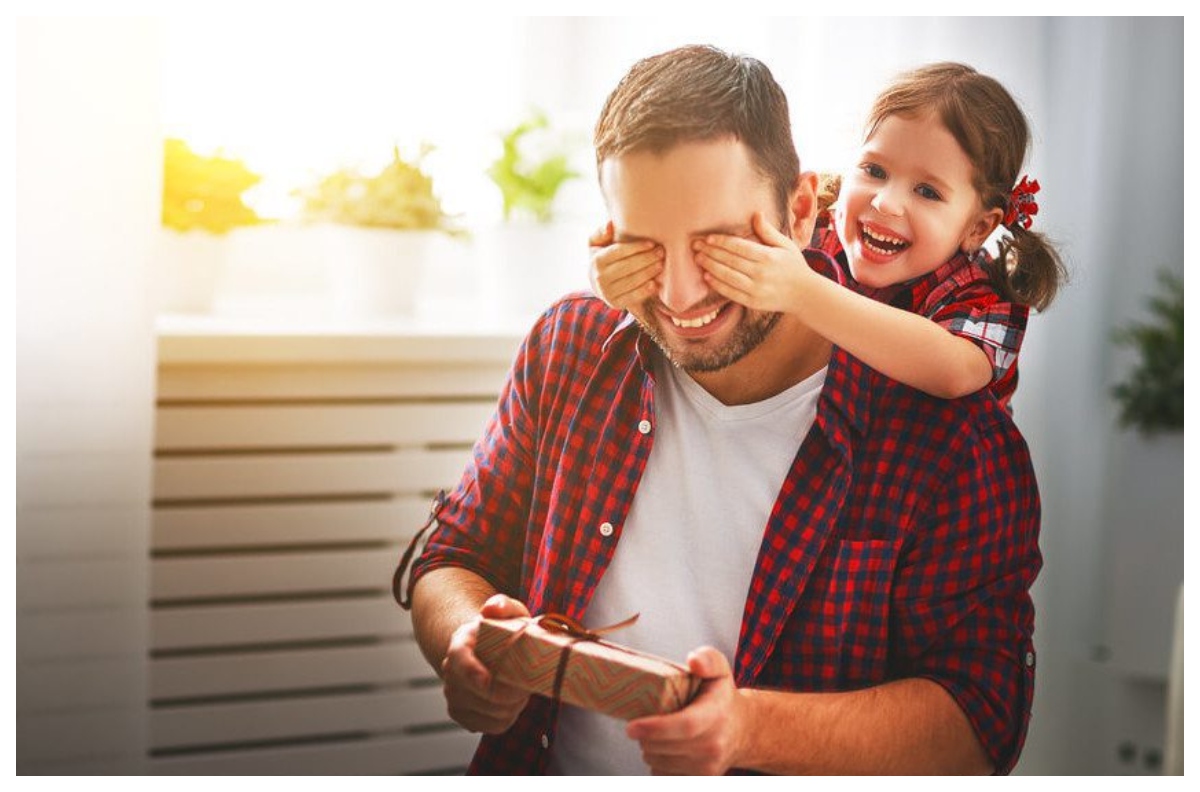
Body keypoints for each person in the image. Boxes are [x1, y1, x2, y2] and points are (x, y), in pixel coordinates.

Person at [399, 45, 1041, 775]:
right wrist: (468, 639)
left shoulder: (956, 438)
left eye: (717, 248)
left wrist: (748, 730)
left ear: (800, 211)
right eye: (643, 247)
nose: (677, 298)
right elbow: (453, 557)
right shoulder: (571, 344)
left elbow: (982, 721)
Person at [590, 62, 1066, 410]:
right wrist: (613, 269)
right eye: (875, 170)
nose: (885, 202)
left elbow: (954, 373)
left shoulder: (980, 290)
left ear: (979, 226)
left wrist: (803, 291)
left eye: (927, 191)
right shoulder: (814, 223)